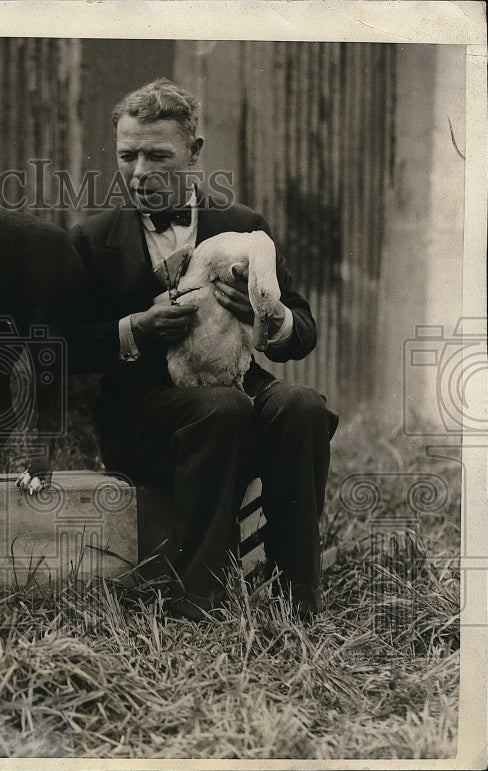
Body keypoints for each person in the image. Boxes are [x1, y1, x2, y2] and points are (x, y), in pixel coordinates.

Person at [71, 78, 339, 619]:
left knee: (301, 405)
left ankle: (299, 604)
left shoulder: (243, 226)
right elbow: (66, 348)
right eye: (127, 156)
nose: (140, 173)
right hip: (141, 411)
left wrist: (265, 314)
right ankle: (200, 606)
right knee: (221, 410)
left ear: (194, 152)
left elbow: (303, 330)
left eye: (157, 155)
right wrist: (136, 327)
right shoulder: (89, 240)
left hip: (235, 384)